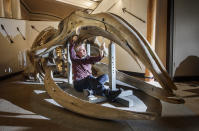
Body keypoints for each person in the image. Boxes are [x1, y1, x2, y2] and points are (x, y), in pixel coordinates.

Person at [69, 35, 121, 101]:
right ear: (77, 52)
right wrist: (73, 41)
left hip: (88, 83)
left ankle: (93, 92)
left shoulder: (87, 58)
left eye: (84, 49)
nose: (85, 51)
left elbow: (96, 59)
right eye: (82, 50)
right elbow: (71, 50)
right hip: (78, 84)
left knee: (105, 76)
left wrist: (101, 51)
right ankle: (108, 93)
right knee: (90, 78)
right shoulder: (75, 59)